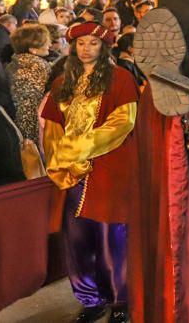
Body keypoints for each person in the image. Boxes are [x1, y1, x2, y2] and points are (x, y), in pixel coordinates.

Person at [41, 22, 138, 323]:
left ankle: (121, 301)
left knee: (113, 237)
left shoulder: (121, 78)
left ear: (104, 47)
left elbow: (123, 123)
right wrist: (60, 162)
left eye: (93, 43)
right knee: (78, 240)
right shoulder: (61, 83)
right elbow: (53, 129)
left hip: (110, 166)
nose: (86, 49)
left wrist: (78, 150)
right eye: (81, 43)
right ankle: (91, 300)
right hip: (71, 173)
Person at [6, 24, 53, 143]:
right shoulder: (38, 65)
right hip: (33, 120)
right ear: (33, 49)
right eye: (45, 42)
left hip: (16, 118)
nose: (50, 45)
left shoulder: (14, 63)